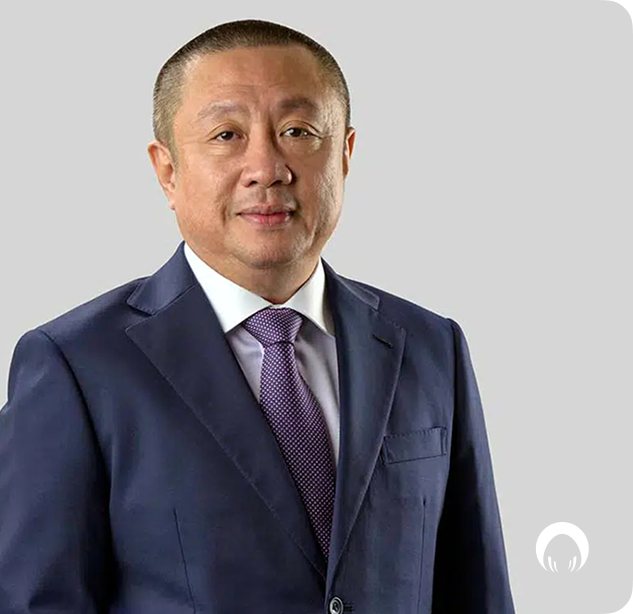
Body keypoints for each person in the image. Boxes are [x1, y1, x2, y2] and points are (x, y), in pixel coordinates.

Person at [0, 18, 515, 613]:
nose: (267, 168)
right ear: (167, 171)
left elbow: (477, 592)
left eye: (298, 131)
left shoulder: (429, 344)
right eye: (226, 135)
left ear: (345, 154)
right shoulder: (77, 365)